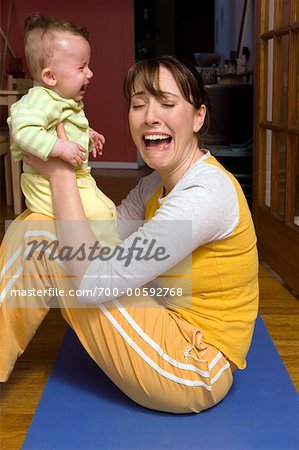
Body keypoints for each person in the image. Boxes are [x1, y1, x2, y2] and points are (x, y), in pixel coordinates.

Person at [0, 56, 259, 414]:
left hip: (195, 365)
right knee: (39, 227)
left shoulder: (205, 193)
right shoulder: (153, 185)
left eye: (167, 103)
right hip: (164, 327)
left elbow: (93, 282)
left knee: (41, 240)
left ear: (198, 117)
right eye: (138, 104)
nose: (150, 116)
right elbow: (106, 238)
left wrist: (61, 175)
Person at [7, 14, 118, 244]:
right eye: (82, 67)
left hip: (77, 177)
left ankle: (106, 254)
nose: (90, 73)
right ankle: (107, 260)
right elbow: (23, 131)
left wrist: (87, 135)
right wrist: (60, 147)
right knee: (98, 216)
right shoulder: (39, 100)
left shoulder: (61, 101)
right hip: (43, 181)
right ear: (50, 76)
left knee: (107, 209)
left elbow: (66, 127)